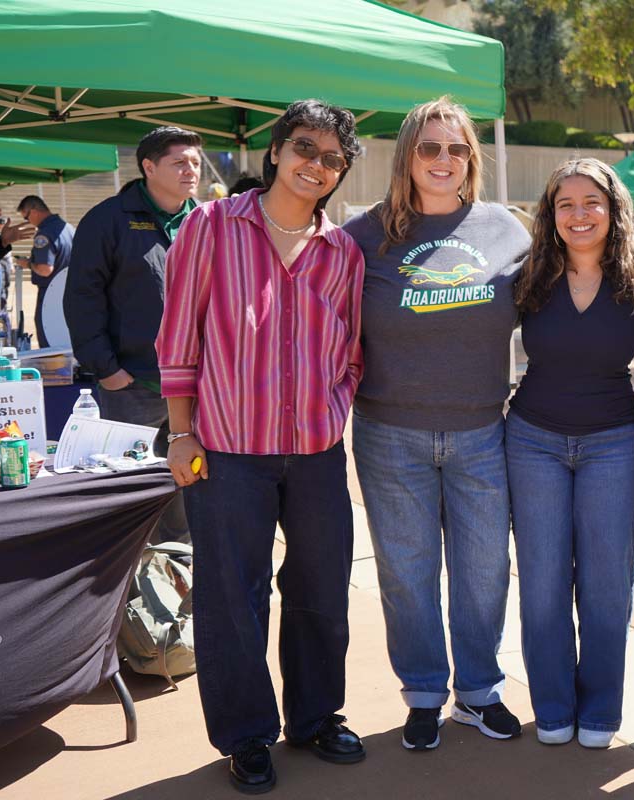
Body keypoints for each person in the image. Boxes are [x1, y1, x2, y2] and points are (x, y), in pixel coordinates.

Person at [156, 99, 366, 794]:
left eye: (333, 159)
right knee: (232, 596)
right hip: (225, 450)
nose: (317, 166)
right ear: (276, 150)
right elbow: (178, 338)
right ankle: (247, 733)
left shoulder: (343, 253)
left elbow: (353, 349)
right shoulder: (212, 227)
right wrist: (182, 429)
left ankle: (314, 716)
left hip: (314, 451)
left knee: (320, 589)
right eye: (306, 148)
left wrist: (335, 404)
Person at [342, 96, 530, 752]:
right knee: (406, 571)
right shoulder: (363, 237)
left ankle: (478, 691)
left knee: (484, 569)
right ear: (407, 158)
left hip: (483, 431)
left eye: (456, 149)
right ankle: (423, 691)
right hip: (389, 435)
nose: (443, 160)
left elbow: (565, 303)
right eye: (429, 148)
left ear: (471, 159)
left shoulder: (507, 229)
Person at [507, 158, 634, 749]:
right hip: (533, 440)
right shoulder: (528, 274)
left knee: (606, 584)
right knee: (542, 581)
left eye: (591, 201)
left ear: (613, 208)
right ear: (550, 215)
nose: (579, 214)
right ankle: (552, 704)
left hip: (614, 442)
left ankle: (599, 710)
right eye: (564, 204)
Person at [65, 125, 203, 545]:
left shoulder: (205, 219)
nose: (190, 171)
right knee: (133, 489)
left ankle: (179, 571)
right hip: (133, 385)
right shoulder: (108, 219)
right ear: (148, 167)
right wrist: (107, 370)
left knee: (189, 486)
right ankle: (129, 585)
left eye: (195, 162)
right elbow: (82, 298)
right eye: (179, 162)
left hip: (197, 385)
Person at [15, 195, 73, 347]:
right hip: (70, 294)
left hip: (50, 296)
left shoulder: (44, 234)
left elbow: (45, 269)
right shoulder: (67, 228)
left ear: (33, 211)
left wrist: (27, 263)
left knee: (50, 346)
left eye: (27, 218)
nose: (29, 222)